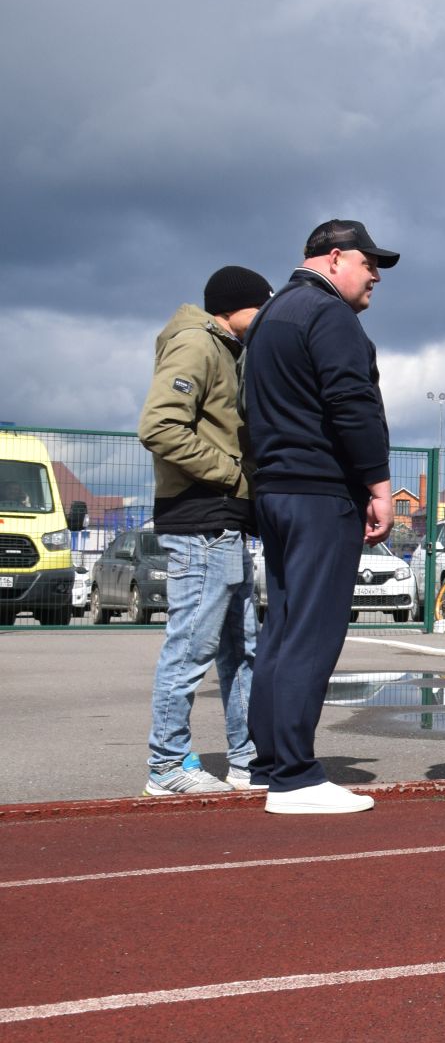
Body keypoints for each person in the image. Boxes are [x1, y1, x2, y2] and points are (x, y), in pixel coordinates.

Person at [242, 219, 399, 815]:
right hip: (318, 490)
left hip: (277, 489)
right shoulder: (329, 315)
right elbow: (349, 401)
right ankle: (295, 777)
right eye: (369, 262)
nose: (376, 275)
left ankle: (267, 763)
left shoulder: (270, 315)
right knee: (312, 629)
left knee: (283, 626)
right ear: (334, 259)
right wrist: (378, 484)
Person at [136, 266, 273, 795]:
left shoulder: (228, 348)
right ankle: (166, 766)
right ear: (234, 307)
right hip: (201, 518)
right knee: (191, 646)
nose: (266, 319)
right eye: (261, 308)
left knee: (241, 648)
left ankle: (246, 760)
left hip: (224, 521)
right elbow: (158, 425)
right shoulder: (196, 343)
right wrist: (231, 475)